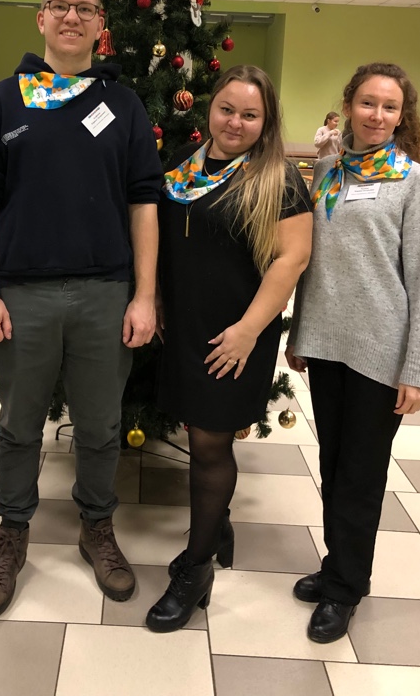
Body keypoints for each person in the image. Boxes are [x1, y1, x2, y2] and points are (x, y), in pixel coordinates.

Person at [0, 0, 161, 618]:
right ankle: (12, 531)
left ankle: (96, 526)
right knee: (19, 426)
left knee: (101, 426)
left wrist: (145, 296)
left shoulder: (122, 104)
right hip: (23, 295)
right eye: (59, 6)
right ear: (40, 19)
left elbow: (145, 203)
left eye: (85, 9)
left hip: (105, 293)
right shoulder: (4, 101)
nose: (72, 17)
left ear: (101, 24)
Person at [145, 65, 313, 633]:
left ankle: (195, 572)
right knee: (197, 431)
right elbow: (168, 239)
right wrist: (157, 296)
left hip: (236, 332)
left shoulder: (278, 178)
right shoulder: (184, 164)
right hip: (186, 324)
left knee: (210, 444)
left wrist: (248, 331)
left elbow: (292, 258)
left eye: (249, 114)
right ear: (209, 108)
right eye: (226, 109)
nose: (235, 122)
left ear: (266, 121)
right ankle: (216, 528)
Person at [286, 62, 420, 644]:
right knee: (333, 463)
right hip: (326, 346)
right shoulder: (327, 170)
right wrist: (300, 334)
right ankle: (337, 566)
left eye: (389, 107)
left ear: (401, 116)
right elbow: (310, 262)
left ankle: (346, 587)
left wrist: (417, 370)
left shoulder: (413, 181)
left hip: (380, 352)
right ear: (348, 105)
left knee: (361, 473)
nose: (377, 115)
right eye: (368, 103)